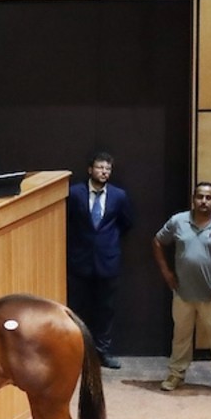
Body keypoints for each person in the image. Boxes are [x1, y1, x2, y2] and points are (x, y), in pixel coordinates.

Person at [152, 181, 211, 395]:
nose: (203, 201)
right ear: (193, 199)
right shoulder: (178, 222)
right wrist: (166, 273)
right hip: (183, 294)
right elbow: (157, 242)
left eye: (208, 197)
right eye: (200, 197)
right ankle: (176, 374)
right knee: (181, 337)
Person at [66, 152, 134, 369]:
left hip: (107, 260)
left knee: (105, 309)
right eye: (100, 167)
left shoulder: (119, 196)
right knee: (77, 308)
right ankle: (76, 352)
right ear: (90, 169)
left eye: (108, 169)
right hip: (79, 260)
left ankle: (102, 352)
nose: (104, 172)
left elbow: (126, 223)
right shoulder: (74, 193)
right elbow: (66, 222)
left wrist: (107, 242)